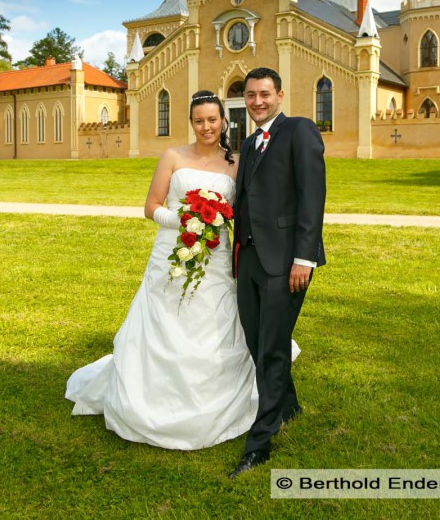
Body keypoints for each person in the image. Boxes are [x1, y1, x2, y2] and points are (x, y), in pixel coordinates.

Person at [65, 91, 256, 450]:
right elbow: (150, 206)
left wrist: (213, 224)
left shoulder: (236, 162)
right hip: (172, 251)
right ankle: (148, 399)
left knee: (213, 321)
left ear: (223, 121)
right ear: (192, 123)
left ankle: (215, 398)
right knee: (164, 319)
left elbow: (241, 210)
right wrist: (185, 219)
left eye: (212, 120)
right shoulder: (173, 156)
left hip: (215, 258)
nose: (206, 127)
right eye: (199, 120)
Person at [230, 67, 327, 478]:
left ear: (280, 95)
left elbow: (312, 195)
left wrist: (303, 258)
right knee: (257, 341)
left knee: (271, 349)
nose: (257, 102)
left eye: (264, 94)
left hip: (287, 262)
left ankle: (260, 443)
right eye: (250, 95)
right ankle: (288, 404)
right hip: (250, 260)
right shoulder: (250, 142)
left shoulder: (299, 131)